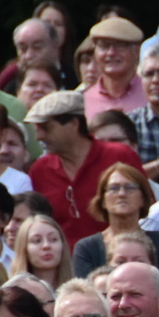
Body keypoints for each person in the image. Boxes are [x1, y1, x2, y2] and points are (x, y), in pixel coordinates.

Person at [24, 91, 138, 246]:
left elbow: (144, 208)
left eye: (46, 128)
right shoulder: (40, 170)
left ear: (73, 124)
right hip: (63, 265)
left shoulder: (119, 155)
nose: (39, 137)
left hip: (117, 256)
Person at [72, 162, 159, 277]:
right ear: (103, 200)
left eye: (130, 187)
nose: (122, 194)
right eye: (114, 188)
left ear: (143, 198)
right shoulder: (87, 248)